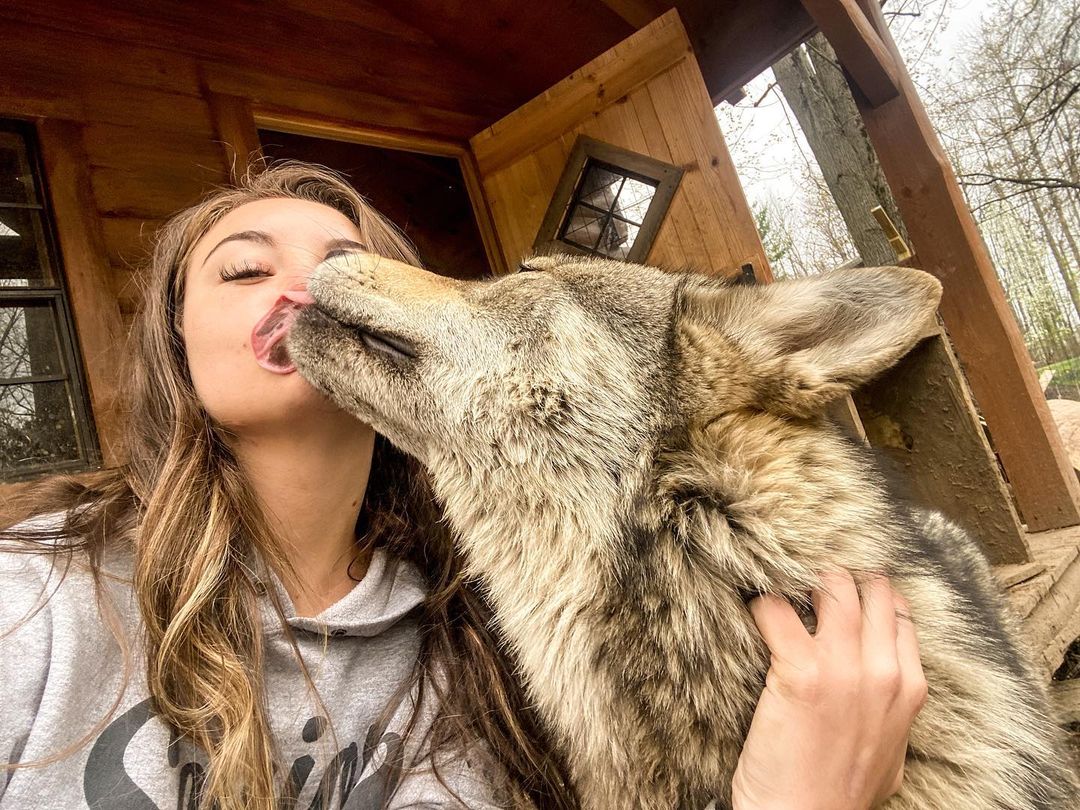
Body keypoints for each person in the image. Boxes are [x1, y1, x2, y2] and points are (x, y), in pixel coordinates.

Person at [0, 162, 927, 810]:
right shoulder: (32, 605)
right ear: (176, 353)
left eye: (346, 259)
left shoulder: (481, 659)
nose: (313, 281)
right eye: (244, 268)